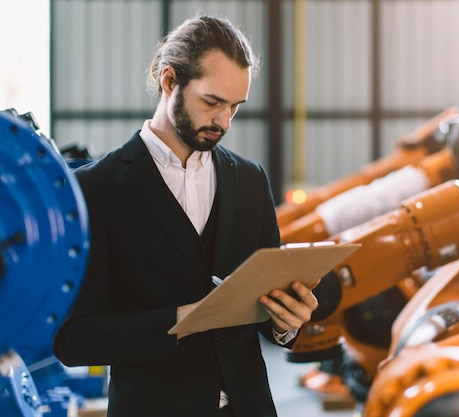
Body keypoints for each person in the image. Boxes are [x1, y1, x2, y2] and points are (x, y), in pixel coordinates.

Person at [53, 15, 319, 417]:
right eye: (212, 102)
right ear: (169, 81)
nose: (224, 122)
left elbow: (265, 309)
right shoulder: (96, 189)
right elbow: (74, 338)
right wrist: (181, 321)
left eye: (235, 107)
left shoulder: (249, 180)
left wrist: (286, 322)